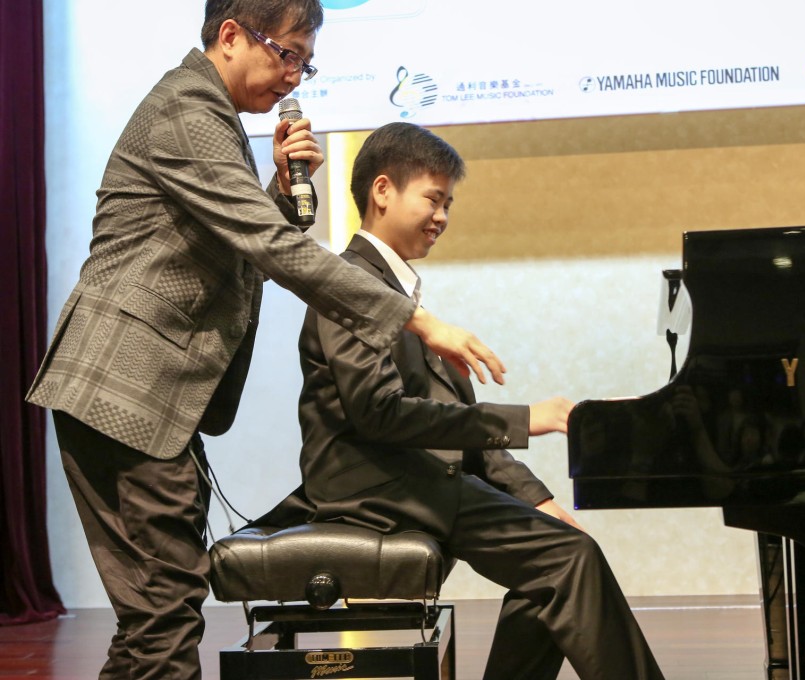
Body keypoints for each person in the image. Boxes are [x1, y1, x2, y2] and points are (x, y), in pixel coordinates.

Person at [25, 3, 506, 678]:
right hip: (125, 386)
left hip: (134, 395)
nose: (294, 76)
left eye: (304, 63)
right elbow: (272, 248)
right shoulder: (189, 112)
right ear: (231, 36)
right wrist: (414, 318)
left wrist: (281, 191)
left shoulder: (207, 115)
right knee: (162, 613)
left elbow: (232, 247)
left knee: (152, 621)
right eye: (287, 54)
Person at [257, 121, 664, 680]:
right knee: (572, 561)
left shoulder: (397, 293)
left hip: (410, 476)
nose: (442, 216)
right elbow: (380, 415)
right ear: (382, 191)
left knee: (561, 559)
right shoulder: (349, 282)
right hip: (374, 484)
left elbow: (453, 430)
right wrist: (530, 420)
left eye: (448, 202)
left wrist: (534, 498)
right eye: (432, 198)